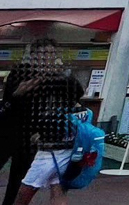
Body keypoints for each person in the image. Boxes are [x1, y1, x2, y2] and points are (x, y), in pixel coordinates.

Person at [12, 40, 85, 205]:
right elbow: (15, 102)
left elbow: (77, 93)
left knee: (27, 191)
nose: (47, 58)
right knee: (53, 187)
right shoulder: (24, 76)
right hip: (32, 140)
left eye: (51, 54)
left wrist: (58, 75)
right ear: (34, 57)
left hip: (55, 144)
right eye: (43, 54)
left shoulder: (63, 77)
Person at [0, 61, 42, 205]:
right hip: (5, 135)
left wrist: (39, 132)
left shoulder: (40, 95)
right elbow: (3, 112)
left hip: (27, 139)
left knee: (17, 180)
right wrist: (16, 95)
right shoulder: (11, 95)